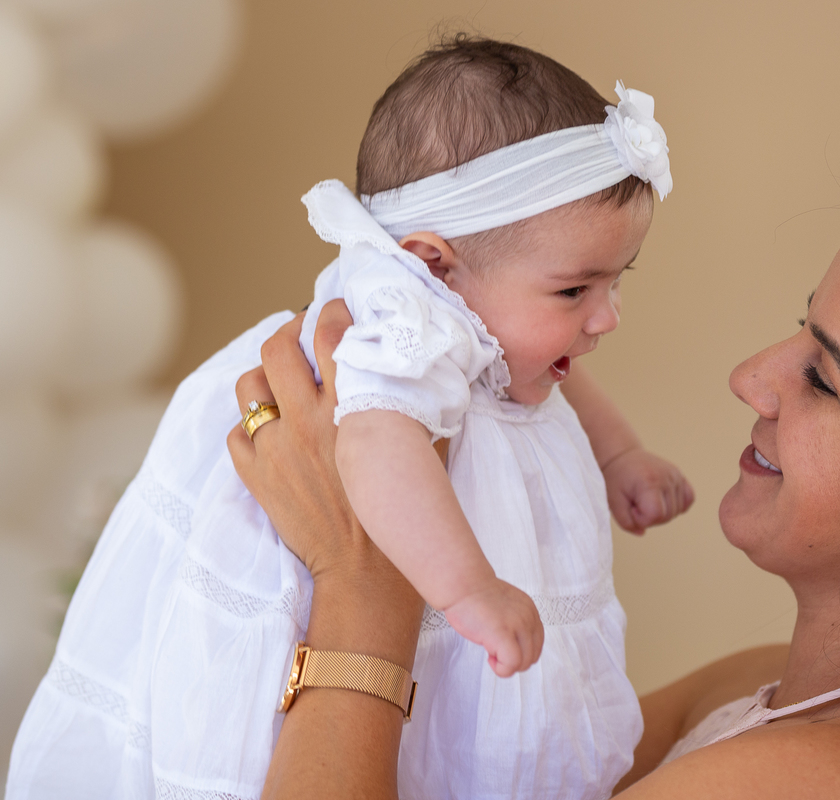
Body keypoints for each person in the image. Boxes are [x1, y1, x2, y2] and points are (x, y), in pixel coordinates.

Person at [232, 176, 840, 799]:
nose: (752, 375)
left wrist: (361, 586)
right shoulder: (762, 688)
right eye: (798, 330)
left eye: (822, 377)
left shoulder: (831, 781)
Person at [7, 37, 695, 800]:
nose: (607, 317)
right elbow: (374, 446)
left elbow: (539, 381)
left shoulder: (476, 314)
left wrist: (620, 455)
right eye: (576, 291)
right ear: (433, 263)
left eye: (616, 281)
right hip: (387, 575)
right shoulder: (400, 327)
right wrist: (469, 591)